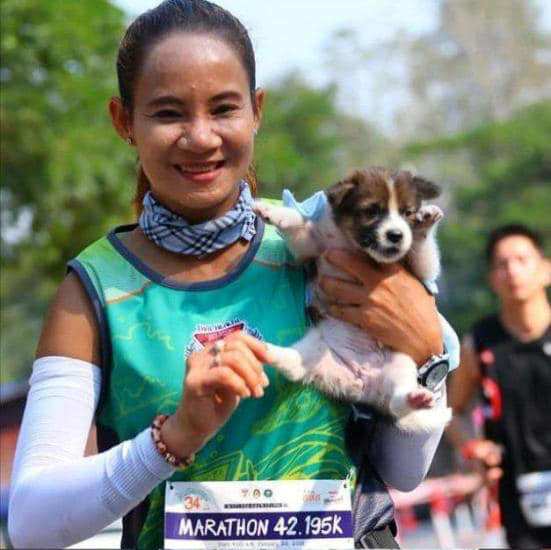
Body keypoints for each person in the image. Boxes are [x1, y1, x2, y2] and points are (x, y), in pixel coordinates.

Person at [7, 1, 458, 548]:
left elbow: (403, 471)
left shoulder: (326, 245)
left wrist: (427, 351)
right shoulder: (95, 289)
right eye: (169, 113)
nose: (200, 137)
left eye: (223, 109)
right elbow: (31, 522)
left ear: (257, 110)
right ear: (124, 122)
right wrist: (176, 436)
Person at [447, 224, 551, 548]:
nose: (513, 271)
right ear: (493, 279)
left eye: (522, 259)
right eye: (502, 264)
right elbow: (451, 412)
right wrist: (473, 449)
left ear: (546, 269)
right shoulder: (480, 342)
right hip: (518, 492)